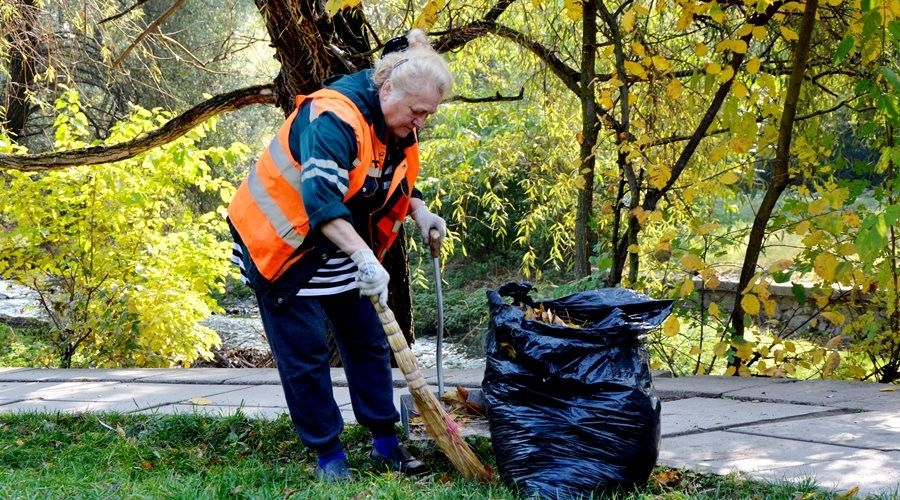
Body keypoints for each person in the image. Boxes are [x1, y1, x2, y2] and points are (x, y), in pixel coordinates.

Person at [226, 29, 452, 482]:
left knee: (367, 343)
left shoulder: (396, 122)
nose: (421, 123)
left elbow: (389, 178)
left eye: (429, 114)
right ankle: (329, 455)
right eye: (417, 112)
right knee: (306, 353)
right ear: (387, 88)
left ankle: (385, 446)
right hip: (282, 247)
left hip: (340, 243)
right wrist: (366, 258)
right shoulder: (333, 117)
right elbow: (322, 202)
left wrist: (421, 211)